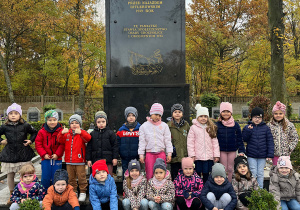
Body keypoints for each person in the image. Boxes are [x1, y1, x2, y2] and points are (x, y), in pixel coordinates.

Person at [0, 103, 37, 204]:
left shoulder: (25, 125)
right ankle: (12, 195)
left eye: (16, 113)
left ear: (20, 115)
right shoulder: (4, 126)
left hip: (23, 153)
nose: (13, 115)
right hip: (9, 154)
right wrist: (1, 141)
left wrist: (30, 141)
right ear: (8, 115)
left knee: (26, 174)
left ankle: (26, 193)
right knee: (10, 175)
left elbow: (34, 132)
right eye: (11, 113)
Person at [57, 114, 91, 202]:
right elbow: (59, 140)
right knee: (71, 178)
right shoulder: (67, 134)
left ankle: (83, 192)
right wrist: (61, 133)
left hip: (80, 161)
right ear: (69, 125)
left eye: (76, 123)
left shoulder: (82, 133)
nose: (74, 124)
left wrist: (81, 132)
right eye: (72, 123)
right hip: (69, 161)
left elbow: (88, 138)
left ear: (80, 124)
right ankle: (74, 191)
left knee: (81, 177)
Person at [138, 103, 173, 180]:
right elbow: (142, 142)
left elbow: (167, 140)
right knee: (150, 173)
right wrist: (141, 154)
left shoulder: (164, 126)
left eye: (160, 115)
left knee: (161, 173)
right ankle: (150, 190)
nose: (158, 117)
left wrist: (169, 153)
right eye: (156, 114)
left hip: (161, 153)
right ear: (151, 113)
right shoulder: (144, 126)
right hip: (149, 154)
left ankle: (162, 190)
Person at [242, 107, 274, 188]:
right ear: (251, 117)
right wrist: (248, 131)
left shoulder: (266, 128)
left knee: (260, 173)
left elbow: (270, 141)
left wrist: (270, 154)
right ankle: (252, 189)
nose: (257, 119)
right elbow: (244, 139)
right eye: (255, 117)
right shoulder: (247, 127)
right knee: (253, 172)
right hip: (251, 155)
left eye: (259, 117)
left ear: (262, 118)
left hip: (262, 155)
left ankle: (260, 191)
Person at [187, 104, 220, 183]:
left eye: (205, 116)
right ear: (197, 117)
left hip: (208, 156)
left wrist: (216, 155)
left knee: (207, 174)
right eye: (201, 116)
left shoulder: (210, 128)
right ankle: (198, 189)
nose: (203, 118)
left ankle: (206, 188)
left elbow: (215, 142)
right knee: (197, 174)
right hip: (198, 157)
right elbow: (190, 142)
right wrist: (192, 155)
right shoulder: (193, 128)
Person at [35, 110, 64, 190]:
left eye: (54, 120)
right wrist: (44, 154)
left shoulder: (61, 131)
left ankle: (56, 192)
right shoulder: (42, 132)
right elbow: (38, 144)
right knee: (45, 177)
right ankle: (44, 192)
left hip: (57, 158)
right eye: (50, 120)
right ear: (46, 121)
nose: (52, 122)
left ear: (57, 120)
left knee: (57, 176)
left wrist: (57, 154)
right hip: (46, 158)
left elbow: (62, 144)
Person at [216, 102, 245, 182]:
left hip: (232, 150)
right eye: (224, 111)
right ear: (221, 113)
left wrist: (241, 150)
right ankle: (223, 184)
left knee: (231, 169)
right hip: (222, 150)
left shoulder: (235, 125)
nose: (226, 113)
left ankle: (230, 184)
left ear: (231, 113)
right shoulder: (217, 125)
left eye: (228, 111)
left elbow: (239, 138)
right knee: (223, 168)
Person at [86, 111, 119, 175]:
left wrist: (115, 158)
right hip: (96, 161)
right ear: (96, 123)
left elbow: (115, 146)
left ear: (106, 122)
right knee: (97, 177)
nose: (101, 124)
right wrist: (89, 159)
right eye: (99, 122)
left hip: (108, 161)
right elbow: (89, 147)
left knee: (108, 177)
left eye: (103, 122)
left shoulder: (111, 133)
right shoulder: (92, 134)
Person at [267, 101, 299, 165]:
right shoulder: (269, 126)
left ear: (283, 114)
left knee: (284, 171)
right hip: (274, 154)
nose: (278, 115)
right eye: (276, 113)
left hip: (285, 154)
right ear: (273, 114)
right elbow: (266, 139)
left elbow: (294, 137)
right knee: (275, 171)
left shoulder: (289, 125)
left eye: (280, 113)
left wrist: (289, 147)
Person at [167, 104, 190, 180]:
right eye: (175, 112)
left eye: (179, 112)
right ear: (172, 114)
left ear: (182, 114)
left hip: (184, 154)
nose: (177, 113)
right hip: (175, 156)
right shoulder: (168, 126)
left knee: (185, 175)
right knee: (175, 175)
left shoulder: (186, 125)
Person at [117, 107, 141, 177]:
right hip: (125, 157)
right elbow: (118, 142)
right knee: (126, 174)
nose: (131, 117)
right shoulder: (121, 130)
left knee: (136, 175)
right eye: (129, 115)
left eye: (133, 115)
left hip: (136, 157)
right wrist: (120, 153)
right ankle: (126, 187)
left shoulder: (141, 129)